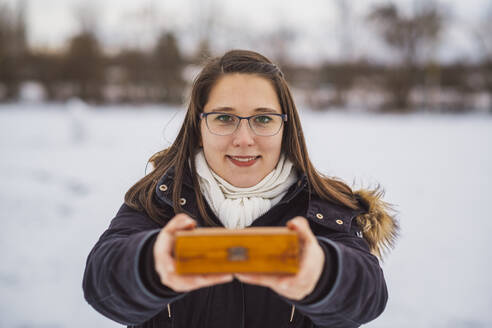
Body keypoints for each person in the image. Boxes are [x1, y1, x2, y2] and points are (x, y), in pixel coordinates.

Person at [82, 49, 398, 328]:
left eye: (262, 119)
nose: (244, 139)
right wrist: (150, 267)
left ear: (285, 127)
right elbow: (101, 283)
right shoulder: (157, 202)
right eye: (224, 118)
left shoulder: (327, 211)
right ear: (199, 125)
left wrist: (322, 275)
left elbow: (368, 297)